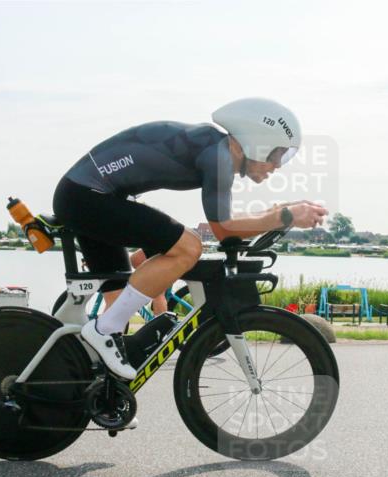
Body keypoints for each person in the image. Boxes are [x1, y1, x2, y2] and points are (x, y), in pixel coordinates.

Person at [53, 97, 327, 379]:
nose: (277, 166)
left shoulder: (215, 149)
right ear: (257, 141)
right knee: (189, 247)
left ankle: (97, 390)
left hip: (88, 196)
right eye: (277, 155)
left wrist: (282, 210)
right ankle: (102, 331)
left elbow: (228, 223)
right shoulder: (218, 156)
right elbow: (224, 228)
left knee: (118, 302)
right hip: (87, 197)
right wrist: (286, 216)